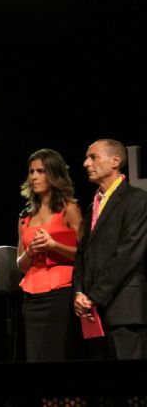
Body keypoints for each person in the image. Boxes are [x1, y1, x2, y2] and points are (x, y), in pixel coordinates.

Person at [72, 138, 147, 360]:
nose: (86, 163)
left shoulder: (137, 200)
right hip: (93, 312)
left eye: (93, 157)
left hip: (124, 309)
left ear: (115, 161)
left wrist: (94, 295)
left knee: (132, 386)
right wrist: (79, 292)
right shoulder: (91, 206)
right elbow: (82, 255)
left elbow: (128, 253)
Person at [16, 148, 83, 362]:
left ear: (54, 174)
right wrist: (31, 250)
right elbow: (20, 265)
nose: (34, 177)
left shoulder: (69, 209)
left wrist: (54, 245)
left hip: (61, 292)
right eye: (32, 171)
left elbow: (85, 255)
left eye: (41, 171)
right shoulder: (25, 216)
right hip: (32, 295)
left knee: (57, 352)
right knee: (35, 355)